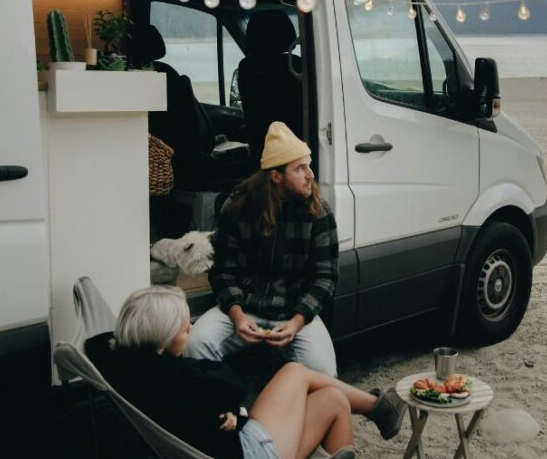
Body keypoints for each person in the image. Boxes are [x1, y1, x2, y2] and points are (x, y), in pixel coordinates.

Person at [87, 286, 406, 459]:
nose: (192, 329)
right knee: (295, 371)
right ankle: (378, 407)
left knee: (334, 399)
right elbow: (233, 386)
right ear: (162, 336)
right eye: (186, 328)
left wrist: (230, 415)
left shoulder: (126, 363)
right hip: (247, 452)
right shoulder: (179, 374)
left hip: (230, 443)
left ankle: (378, 408)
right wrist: (234, 415)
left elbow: (95, 343)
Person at [187, 121, 339, 376]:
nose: (311, 174)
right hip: (243, 309)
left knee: (325, 373)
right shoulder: (238, 207)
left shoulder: (318, 212)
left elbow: (325, 278)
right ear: (276, 176)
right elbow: (223, 269)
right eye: (300, 168)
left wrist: (296, 322)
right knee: (195, 344)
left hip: (295, 314)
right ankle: (221, 411)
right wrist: (237, 317)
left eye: (308, 165)